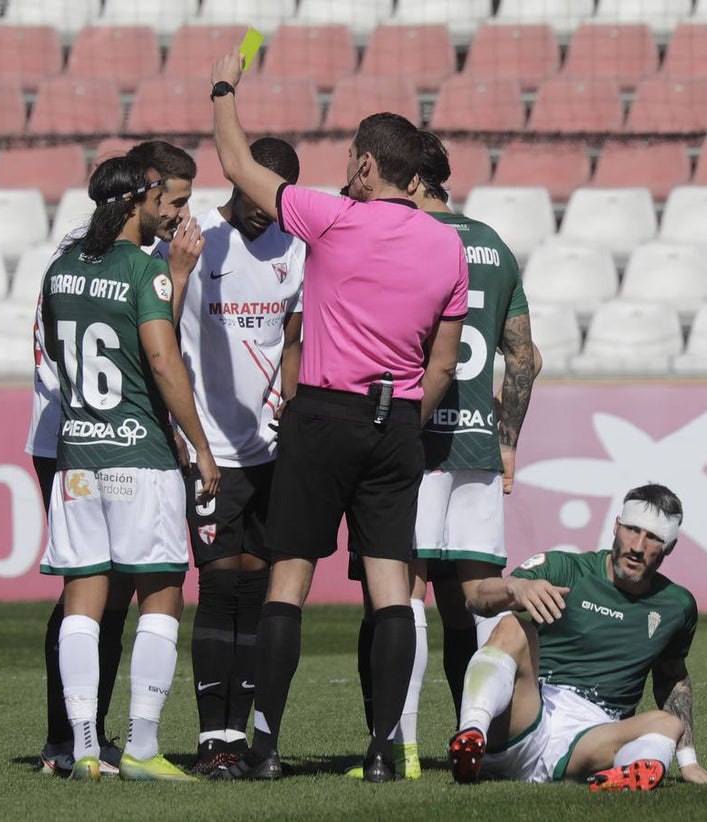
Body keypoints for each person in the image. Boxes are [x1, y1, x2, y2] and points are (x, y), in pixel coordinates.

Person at [206, 51, 469, 782]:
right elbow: (443, 364)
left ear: (364, 167)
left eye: (351, 158)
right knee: (391, 590)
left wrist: (224, 87)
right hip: (398, 422)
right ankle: (383, 751)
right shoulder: (448, 245)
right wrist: (405, 419)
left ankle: (264, 749)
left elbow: (236, 164)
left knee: (288, 581)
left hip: (322, 416)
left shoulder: (331, 217)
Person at [350, 130, 539, 779]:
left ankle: (399, 747)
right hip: (479, 446)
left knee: (404, 593)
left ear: (411, 178)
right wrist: (507, 442)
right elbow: (525, 358)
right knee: (482, 598)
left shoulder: (405, 237)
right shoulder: (493, 245)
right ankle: (484, 740)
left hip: (417, 441)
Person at [39, 155, 219, 782]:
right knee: (161, 599)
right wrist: (200, 444)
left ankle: (85, 746)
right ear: (139, 199)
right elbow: (163, 363)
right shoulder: (148, 272)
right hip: (139, 457)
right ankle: (142, 746)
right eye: (166, 199)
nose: (173, 211)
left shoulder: (59, 269)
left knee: (82, 605)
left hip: (77, 459)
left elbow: (56, 352)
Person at [447, 483, 707, 790]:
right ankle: (471, 735)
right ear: (616, 526)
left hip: (593, 737)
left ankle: (625, 774)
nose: (637, 546)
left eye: (653, 537)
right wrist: (514, 588)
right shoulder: (566, 569)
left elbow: (672, 677)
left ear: (669, 547)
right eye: (632, 529)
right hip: (530, 715)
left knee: (668, 724)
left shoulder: (677, 606)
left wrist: (689, 762)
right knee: (513, 628)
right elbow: (475, 599)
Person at [170, 137, 306, 774]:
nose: (263, 209)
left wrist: (292, 400)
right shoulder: (197, 242)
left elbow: (293, 338)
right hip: (212, 450)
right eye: (255, 194)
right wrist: (183, 431)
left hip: (270, 452)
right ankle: (211, 739)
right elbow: (162, 332)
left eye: (274, 200)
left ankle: (241, 737)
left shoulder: (294, 247)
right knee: (219, 585)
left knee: (257, 591)